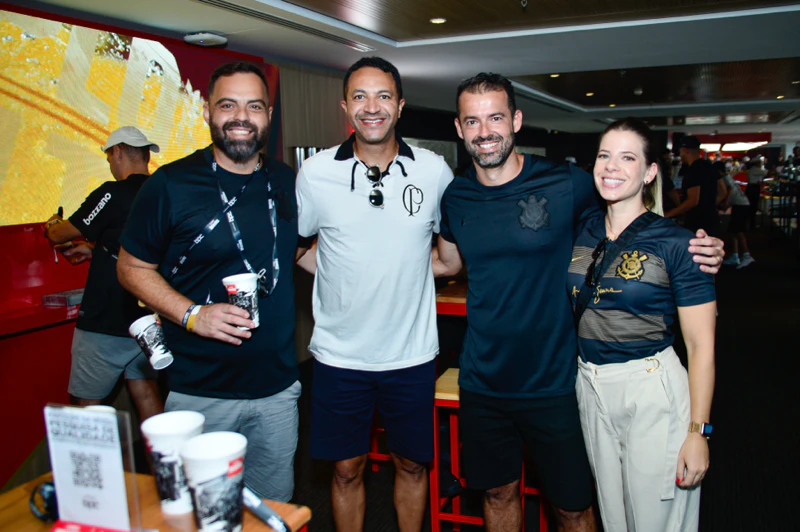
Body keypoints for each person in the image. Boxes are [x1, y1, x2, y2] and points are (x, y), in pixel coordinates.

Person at [432, 73, 723, 532]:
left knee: (574, 507)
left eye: (496, 118)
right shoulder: (456, 196)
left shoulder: (566, 183)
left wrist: (698, 248)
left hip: (558, 382)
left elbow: (630, 216)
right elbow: (446, 261)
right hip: (483, 380)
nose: (484, 131)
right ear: (459, 128)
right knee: (497, 493)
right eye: (472, 121)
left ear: (516, 120)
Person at [117, 62, 301, 501]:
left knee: (274, 512)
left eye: (253, 106)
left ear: (269, 115)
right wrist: (191, 314)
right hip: (201, 393)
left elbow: (295, 251)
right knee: (202, 515)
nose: (241, 117)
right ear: (207, 112)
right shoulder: (170, 184)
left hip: (278, 390)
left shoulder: (285, 180)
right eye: (228, 105)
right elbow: (130, 268)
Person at [295, 57, 454, 532]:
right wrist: (340, 273)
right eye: (360, 96)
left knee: (411, 465)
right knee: (346, 469)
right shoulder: (315, 173)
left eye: (383, 96)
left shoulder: (433, 171)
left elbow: (448, 258)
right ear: (345, 106)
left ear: (400, 106)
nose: (372, 107)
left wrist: (404, 268)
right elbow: (299, 249)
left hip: (411, 355)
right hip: (339, 357)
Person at [568, 117, 715, 531]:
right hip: (590, 385)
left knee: (655, 521)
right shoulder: (583, 230)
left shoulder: (680, 243)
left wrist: (698, 432)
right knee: (613, 517)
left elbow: (701, 346)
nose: (612, 167)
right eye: (605, 156)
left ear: (650, 172)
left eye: (627, 158)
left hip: (651, 389)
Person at [44, 126, 163, 421]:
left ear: (118, 152)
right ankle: (163, 454)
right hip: (149, 319)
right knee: (146, 394)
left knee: (87, 406)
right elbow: (136, 243)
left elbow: (60, 234)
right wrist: (96, 249)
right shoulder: (162, 191)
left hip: (106, 319)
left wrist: (53, 224)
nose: (110, 164)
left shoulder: (112, 193)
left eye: (109, 157)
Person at [665, 135, 724, 237]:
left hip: (697, 223)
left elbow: (693, 201)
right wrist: (709, 207)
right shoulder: (710, 166)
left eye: (680, 152)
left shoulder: (692, 170)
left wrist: (669, 213)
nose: (680, 155)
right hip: (713, 220)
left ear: (685, 150)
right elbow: (723, 192)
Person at [721, 170, 755, 268]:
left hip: (741, 205)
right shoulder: (728, 177)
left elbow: (730, 189)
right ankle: (735, 255)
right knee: (733, 231)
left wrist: (726, 202)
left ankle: (746, 255)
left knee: (739, 231)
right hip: (740, 204)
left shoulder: (724, 178)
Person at [745, 157, 767, 229]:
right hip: (753, 189)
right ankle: (751, 224)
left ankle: (750, 223)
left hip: (752, 188)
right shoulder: (755, 169)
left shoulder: (753, 169)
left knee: (752, 206)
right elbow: (766, 173)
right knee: (753, 206)